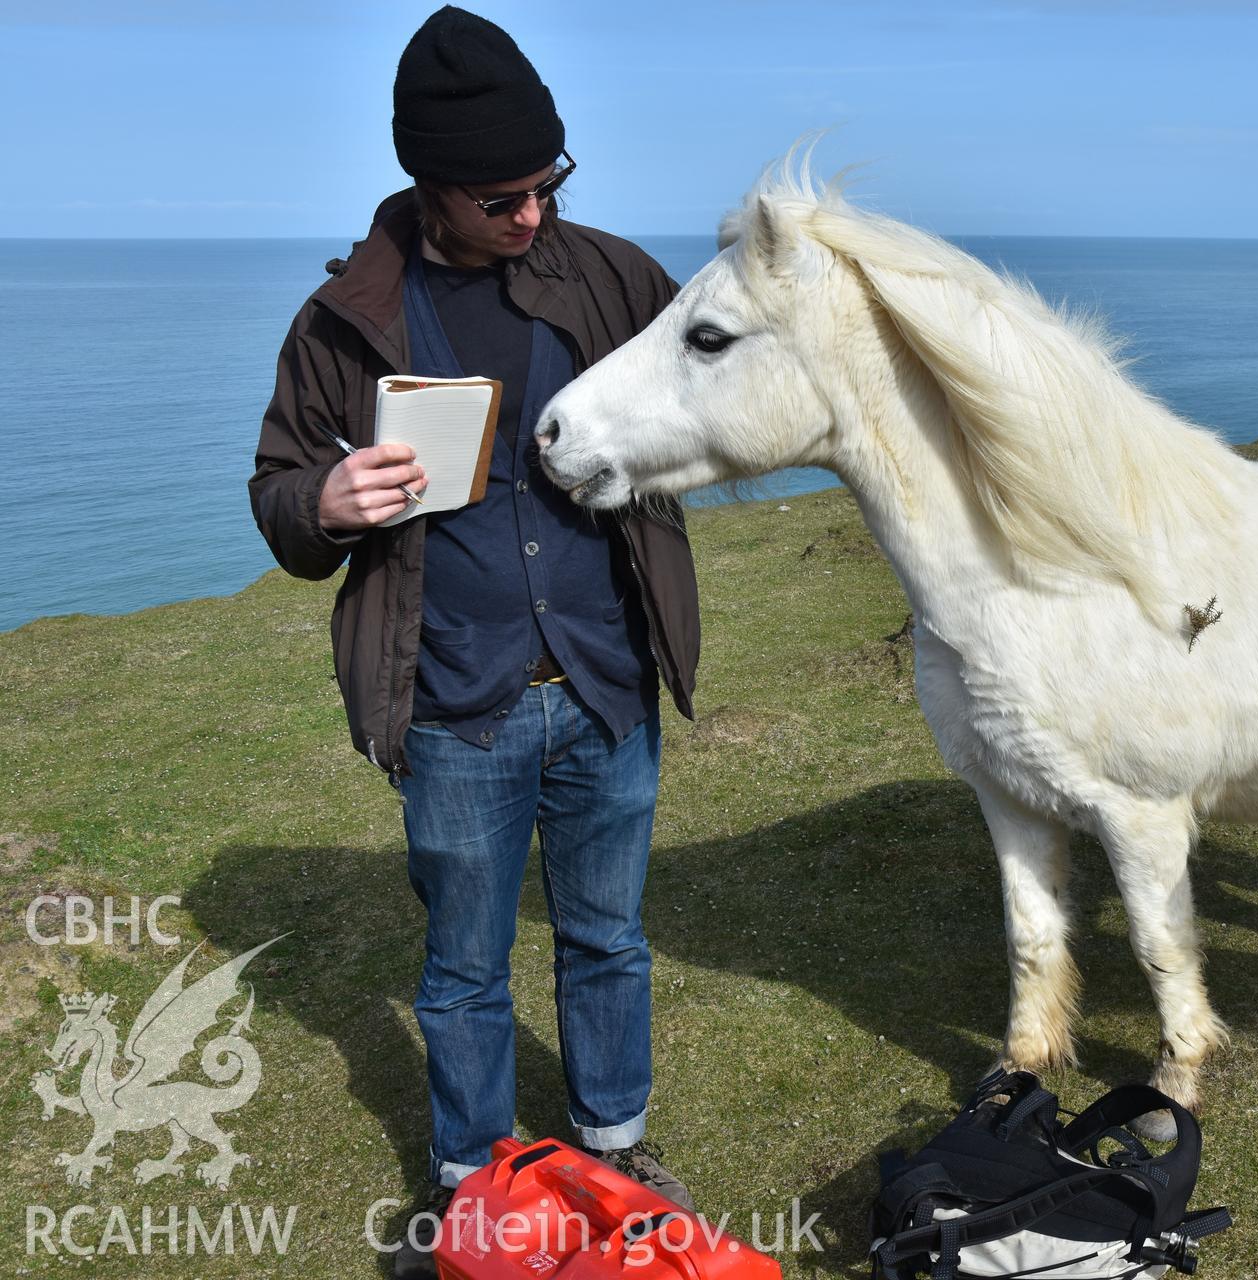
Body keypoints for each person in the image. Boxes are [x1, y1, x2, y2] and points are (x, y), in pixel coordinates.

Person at [247, 7, 699, 1273]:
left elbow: (711, 394)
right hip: (455, 704)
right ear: (428, 187)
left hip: (607, 687)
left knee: (609, 938)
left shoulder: (613, 278)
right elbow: (280, 493)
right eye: (502, 198)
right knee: (461, 969)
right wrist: (322, 506)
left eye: (549, 185)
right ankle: (477, 1184)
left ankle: (611, 1148)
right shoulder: (341, 319)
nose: (532, 217)